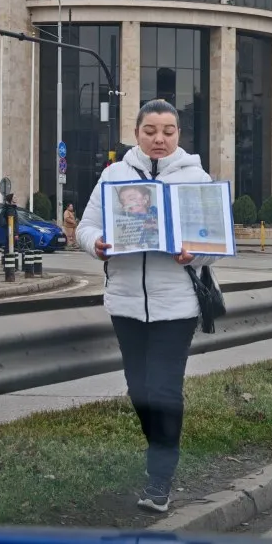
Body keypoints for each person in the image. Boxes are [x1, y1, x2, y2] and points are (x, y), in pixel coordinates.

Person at [76, 98, 222, 513]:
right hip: (125, 303)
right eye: (150, 131)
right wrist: (96, 244)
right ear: (137, 133)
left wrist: (194, 254)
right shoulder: (114, 175)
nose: (159, 138)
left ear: (179, 134)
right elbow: (86, 227)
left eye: (168, 131)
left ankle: (160, 478)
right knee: (139, 389)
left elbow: (214, 243)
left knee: (164, 389)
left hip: (176, 306)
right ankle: (159, 451)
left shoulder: (196, 177)